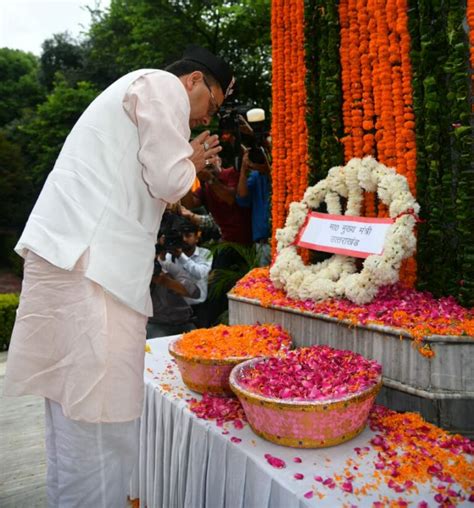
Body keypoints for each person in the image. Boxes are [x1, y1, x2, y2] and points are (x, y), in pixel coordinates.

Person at [3, 45, 235, 507]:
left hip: (74, 263)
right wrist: (191, 160)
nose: (208, 118)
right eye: (213, 103)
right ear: (193, 81)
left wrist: (183, 159)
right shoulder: (161, 84)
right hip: (93, 272)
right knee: (100, 428)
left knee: (72, 421)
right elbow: (170, 181)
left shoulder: (132, 93)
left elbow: (151, 182)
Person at [159, 219, 213, 328]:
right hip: (177, 309)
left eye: (188, 235)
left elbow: (200, 273)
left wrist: (180, 256)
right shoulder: (172, 254)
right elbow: (163, 272)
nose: (184, 239)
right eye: (181, 236)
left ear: (197, 237)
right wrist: (162, 254)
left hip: (199, 308)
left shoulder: (205, 253)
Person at [147, 245, 200, 338]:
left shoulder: (167, 266)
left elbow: (195, 292)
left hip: (183, 321)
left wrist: (167, 281)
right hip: (156, 323)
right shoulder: (137, 272)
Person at [236, 149, 271, 266]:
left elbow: (274, 176)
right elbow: (242, 197)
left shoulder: (283, 171)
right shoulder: (256, 177)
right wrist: (244, 170)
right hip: (263, 244)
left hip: (284, 240)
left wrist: (266, 167)